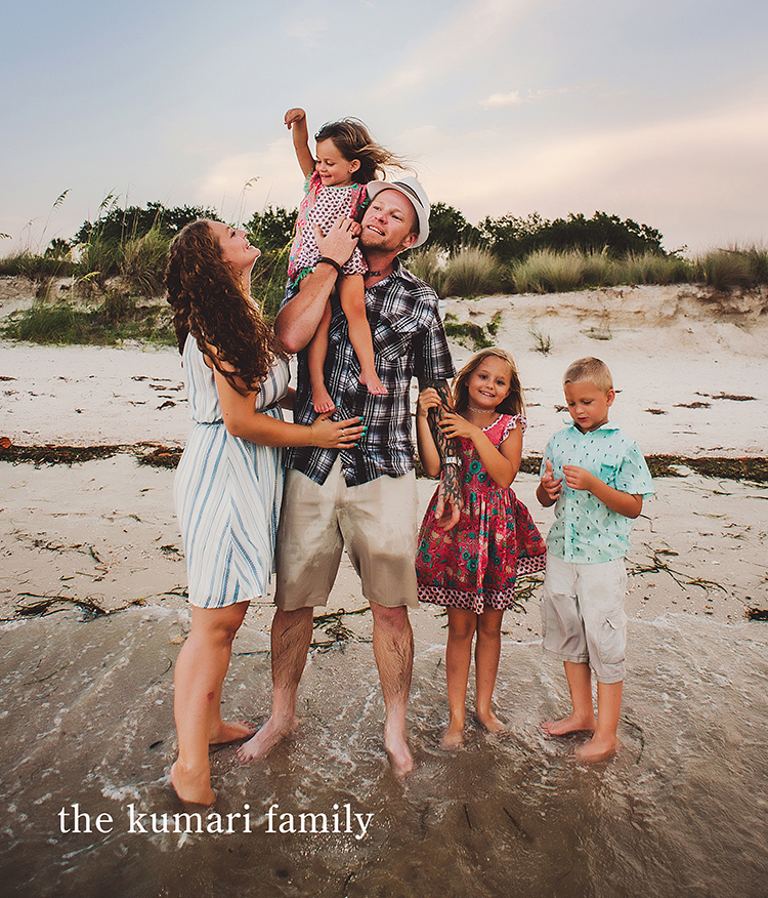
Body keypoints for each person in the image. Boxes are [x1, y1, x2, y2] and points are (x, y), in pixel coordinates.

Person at [236, 177, 461, 777]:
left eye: (396, 215)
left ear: (410, 238)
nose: (381, 217)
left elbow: (438, 388)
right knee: (293, 602)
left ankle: (395, 727)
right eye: (377, 206)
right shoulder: (321, 269)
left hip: (384, 464)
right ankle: (281, 716)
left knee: (390, 606)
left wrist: (451, 476)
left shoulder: (421, 300)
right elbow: (286, 336)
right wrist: (330, 265)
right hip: (310, 462)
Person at [165, 219, 364, 805]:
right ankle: (189, 767)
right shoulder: (215, 323)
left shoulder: (240, 313)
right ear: (213, 258)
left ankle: (208, 725)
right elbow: (239, 421)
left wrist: (312, 398)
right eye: (230, 233)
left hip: (247, 475)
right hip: (225, 475)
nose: (243, 232)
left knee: (224, 618)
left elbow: (266, 392)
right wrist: (316, 437)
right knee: (214, 624)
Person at [415, 348, 547, 748]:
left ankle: (483, 708)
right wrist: (423, 417)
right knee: (460, 628)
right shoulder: (449, 416)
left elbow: (505, 476)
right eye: (483, 376)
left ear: (509, 391)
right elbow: (433, 468)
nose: (490, 385)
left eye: (500, 381)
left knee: (490, 626)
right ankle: (456, 717)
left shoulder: (510, 425)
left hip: (496, 530)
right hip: (458, 527)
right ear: (468, 378)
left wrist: (474, 434)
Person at [536, 357, 653, 762]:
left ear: (609, 397)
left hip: (602, 558)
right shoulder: (558, 440)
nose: (579, 410)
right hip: (561, 553)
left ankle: (607, 735)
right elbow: (543, 497)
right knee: (569, 632)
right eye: (571, 403)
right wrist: (547, 489)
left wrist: (594, 484)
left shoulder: (624, 445)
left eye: (586, 402)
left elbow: (634, 506)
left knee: (604, 639)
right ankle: (582, 714)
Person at [284, 107, 404, 412]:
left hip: (348, 257)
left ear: (353, 165)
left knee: (356, 311)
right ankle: (317, 386)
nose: (321, 167)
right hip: (313, 262)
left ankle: (368, 369)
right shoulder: (315, 182)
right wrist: (301, 121)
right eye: (320, 160)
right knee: (321, 319)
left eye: (329, 162)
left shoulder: (362, 193)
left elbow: (374, 222)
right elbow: (300, 146)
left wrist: (358, 226)